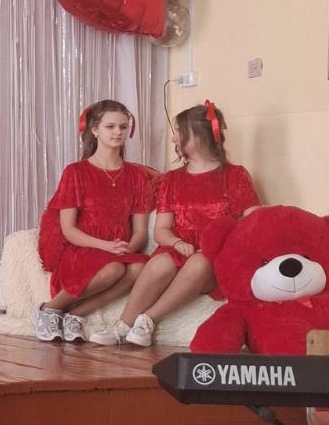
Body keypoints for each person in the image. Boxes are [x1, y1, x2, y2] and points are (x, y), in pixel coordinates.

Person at [110, 100, 259, 347]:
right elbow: (161, 230)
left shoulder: (235, 175)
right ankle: (124, 324)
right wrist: (176, 243)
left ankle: (148, 319)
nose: (173, 139)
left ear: (197, 135)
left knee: (200, 262)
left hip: (215, 255)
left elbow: (253, 221)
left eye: (178, 132)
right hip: (178, 248)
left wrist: (221, 246)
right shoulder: (172, 179)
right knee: (161, 263)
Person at [35, 100, 152, 342]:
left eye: (123, 127)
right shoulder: (75, 172)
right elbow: (68, 229)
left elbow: (140, 230)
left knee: (140, 267)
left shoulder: (137, 176)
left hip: (118, 248)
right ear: (95, 130)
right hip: (83, 247)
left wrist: (127, 247)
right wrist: (105, 246)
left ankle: (75, 314)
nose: (118, 132)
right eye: (110, 126)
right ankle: (49, 309)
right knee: (114, 268)